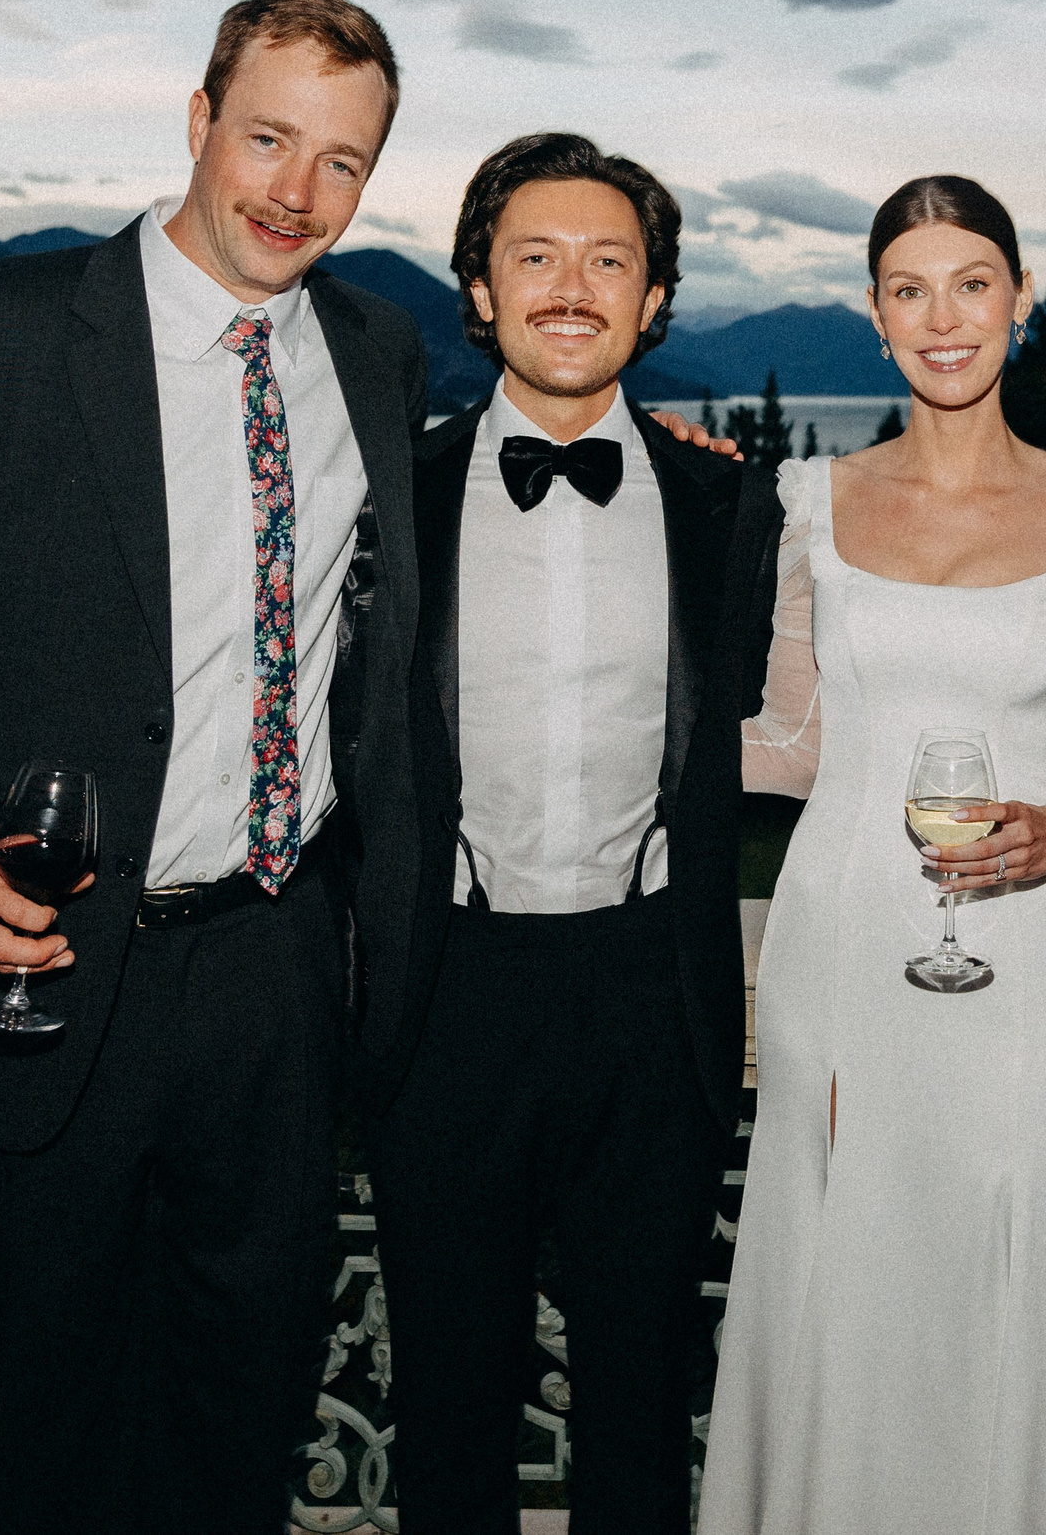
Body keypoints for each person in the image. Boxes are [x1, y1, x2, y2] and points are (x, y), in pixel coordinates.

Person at [0, 0, 427, 1534]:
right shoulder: (0, 336)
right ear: (200, 120)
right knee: (67, 1447)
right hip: (53, 968)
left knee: (243, 1434)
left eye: (342, 161)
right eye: (270, 137)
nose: (297, 192)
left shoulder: (376, 352)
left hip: (280, 979)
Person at [701, 175, 1046, 1535]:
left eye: (972, 284)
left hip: (1018, 955)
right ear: (877, 314)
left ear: (1021, 301)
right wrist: (623, 742)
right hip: (839, 944)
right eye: (910, 288)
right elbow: (789, 745)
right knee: (845, 1275)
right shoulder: (803, 504)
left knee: (1007, 1265)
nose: (942, 316)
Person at [366, 133, 784, 1534]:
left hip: (649, 996)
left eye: (610, 261)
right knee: (450, 1410)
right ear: (476, 290)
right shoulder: (387, 503)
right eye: (533, 256)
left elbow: (808, 718)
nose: (570, 286)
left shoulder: (732, 504)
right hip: (446, 996)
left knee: (638, 1408)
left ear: (655, 300)